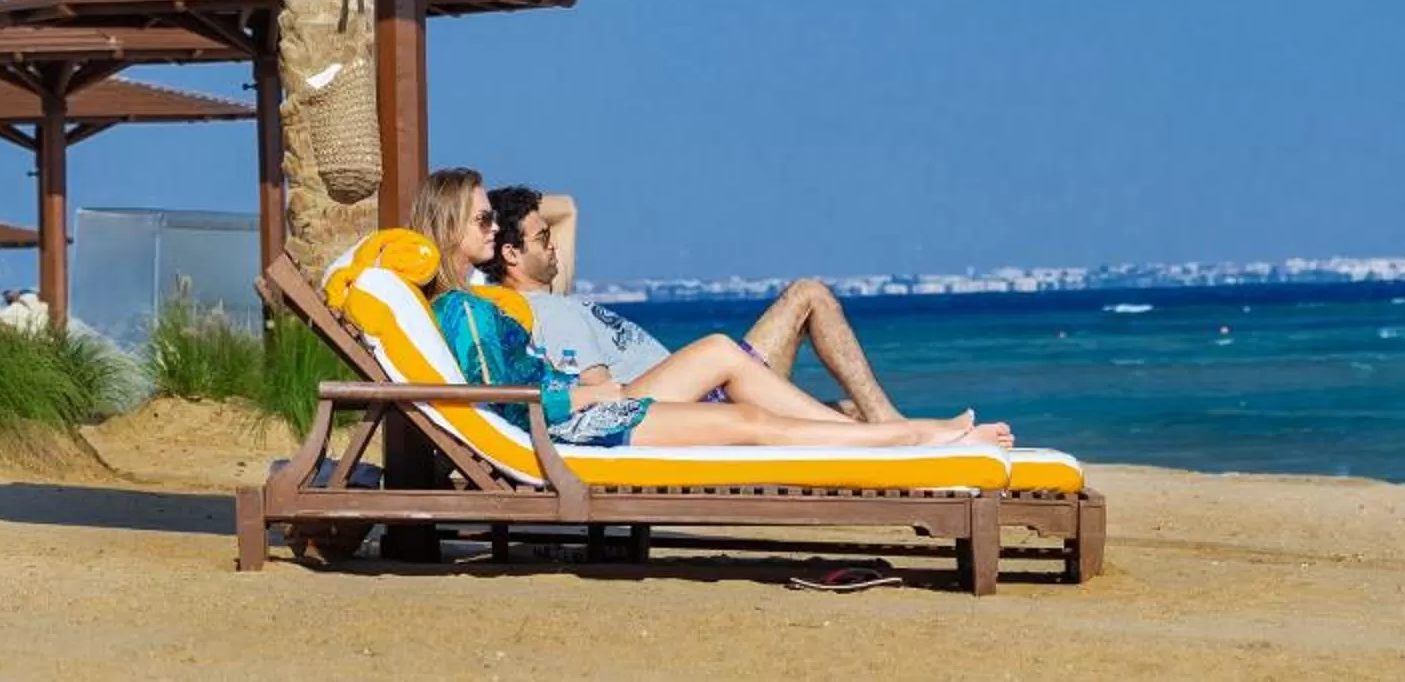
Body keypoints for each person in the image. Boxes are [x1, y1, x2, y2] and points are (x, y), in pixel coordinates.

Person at [408, 168, 1006, 452]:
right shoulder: (471, 309)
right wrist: (587, 396)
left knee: (782, 410)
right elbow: (497, 398)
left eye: (494, 219)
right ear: (452, 226)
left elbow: (505, 387)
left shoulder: (477, 302)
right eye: (482, 220)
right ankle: (910, 439)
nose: (492, 228)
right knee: (743, 386)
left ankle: (899, 435)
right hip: (584, 419)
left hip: (595, 410)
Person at [487, 183, 904, 421]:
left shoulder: (552, 296)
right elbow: (598, 395)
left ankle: (888, 427)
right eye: (543, 238)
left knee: (852, 406)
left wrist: (495, 214)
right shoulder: (550, 312)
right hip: (698, 404)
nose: (554, 245)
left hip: (712, 390)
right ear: (511, 254)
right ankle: (892, 434)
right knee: (804, 299)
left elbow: (566, 209)